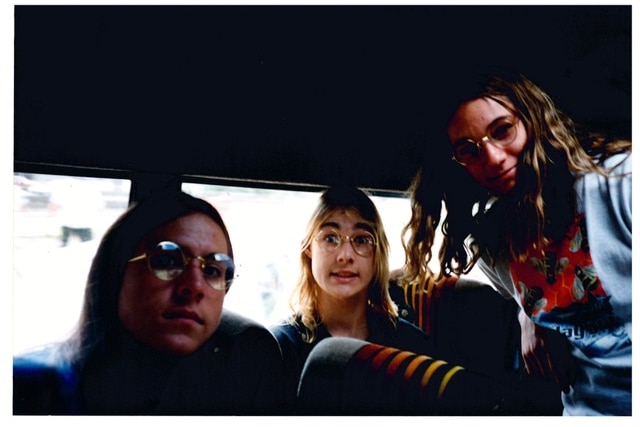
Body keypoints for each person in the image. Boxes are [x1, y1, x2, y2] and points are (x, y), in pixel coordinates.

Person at [400, 66, 631, 416]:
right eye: (468, 150)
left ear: (532, 120)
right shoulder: (492, 246)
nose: (492, 157)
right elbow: (531, 297)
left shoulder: (619, 182)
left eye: (503, 130)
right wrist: (530, 317)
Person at [13, 190, 287, 415]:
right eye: (167, 260)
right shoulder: (26, 388)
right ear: (115, 272)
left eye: (213, 270)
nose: (194, 286)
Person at [270, 185, 435, 412]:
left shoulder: (412, 346)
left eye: (361, 240)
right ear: (309, 248)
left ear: (377, 254)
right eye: (330, 238)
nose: (345, 256)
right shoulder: (280, 349)